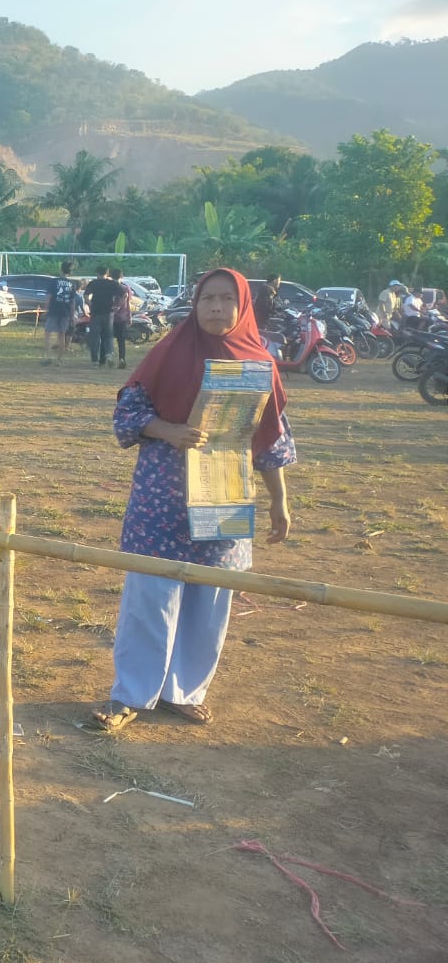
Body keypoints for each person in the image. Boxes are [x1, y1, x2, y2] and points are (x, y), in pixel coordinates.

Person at [90, 268, 295, 732]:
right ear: (195, 304)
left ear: (244, 306)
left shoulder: (259, 363)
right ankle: (131, 693)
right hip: (161, 498)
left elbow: (271, 439)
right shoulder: (169, 352)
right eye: (207, 298)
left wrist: (279, 500)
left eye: (227, 299)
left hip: (224, 493)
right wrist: (169, 431)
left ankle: (183, 692)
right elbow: (128, 413)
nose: (216, 307)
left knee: (210, 598)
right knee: (151, 596)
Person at [83, 268, 122, 367]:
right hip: (108, 312)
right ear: (107, 274)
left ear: (97, 273)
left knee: (95, 336)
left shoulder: (93, 283)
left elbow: (86, 296)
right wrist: (117, 305)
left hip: (96, 312)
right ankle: (109, 354)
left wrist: (90, 304)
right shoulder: (112, 284)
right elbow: (123, 294)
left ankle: (95, 361)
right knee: (108, 335)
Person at [42, 260, 76, 365]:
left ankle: (48, 357)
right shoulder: (72, 284)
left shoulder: (54, 282)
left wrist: (45, 310)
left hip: (53, 310)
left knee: (48, 334)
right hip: (65, 312)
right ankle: (59, 359)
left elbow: (48, 297)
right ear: (70, 272)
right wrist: (72, 316)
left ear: (60, 269)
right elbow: (72, 302)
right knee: (62, 335)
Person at [110, 268, 134, 370]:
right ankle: (122, 358)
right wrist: (129, 316)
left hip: (110, 316)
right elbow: (128, 303)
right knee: (121, 340)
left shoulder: (109, 287)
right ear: (121, 276)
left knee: (108, 338)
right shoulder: (126, 288)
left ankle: (108, 357)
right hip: (122, 317)